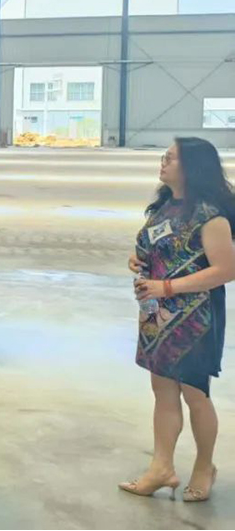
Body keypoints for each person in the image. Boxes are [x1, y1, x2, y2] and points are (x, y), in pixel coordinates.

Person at [120, 138, 235, 503]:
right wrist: (138, 260)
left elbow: (226, 269)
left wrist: (167, 286)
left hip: (195, 317)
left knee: (195, 394)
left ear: (192, 167)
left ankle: (204, 466)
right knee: (163, 391)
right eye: (164, 157)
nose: (163, 162)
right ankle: (161, 467)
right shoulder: (164, 207)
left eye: (170, 158)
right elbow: (160, 247)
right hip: (156, 314)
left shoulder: (209, 215)